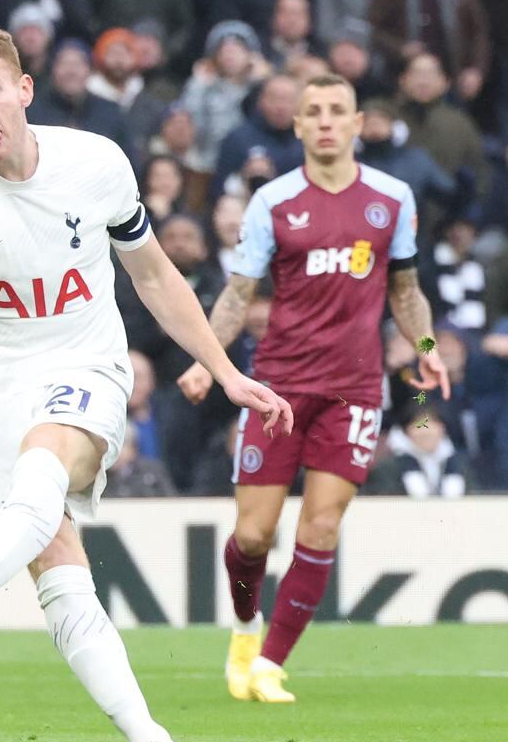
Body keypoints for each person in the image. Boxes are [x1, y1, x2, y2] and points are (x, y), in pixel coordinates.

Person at [0, 25, 293, 742]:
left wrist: (225, 369)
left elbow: (152, 276)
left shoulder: (94, 161)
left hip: (86, 364)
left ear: (23, 91)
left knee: (48, 458)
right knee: (60, 577)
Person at [177, 74, 445, 704]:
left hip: (354, 390)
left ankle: (270, 664)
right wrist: (208, 365)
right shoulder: (272, 201)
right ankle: (245, 630)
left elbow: (405, 291)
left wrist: (428, 353)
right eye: (313, 113)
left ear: (357, 123)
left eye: (337, 111)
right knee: (252, 537)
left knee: (321, 527)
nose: (326, 121)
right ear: (296, 127)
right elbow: (240, 293)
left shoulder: (393, 198)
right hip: (279, 390)